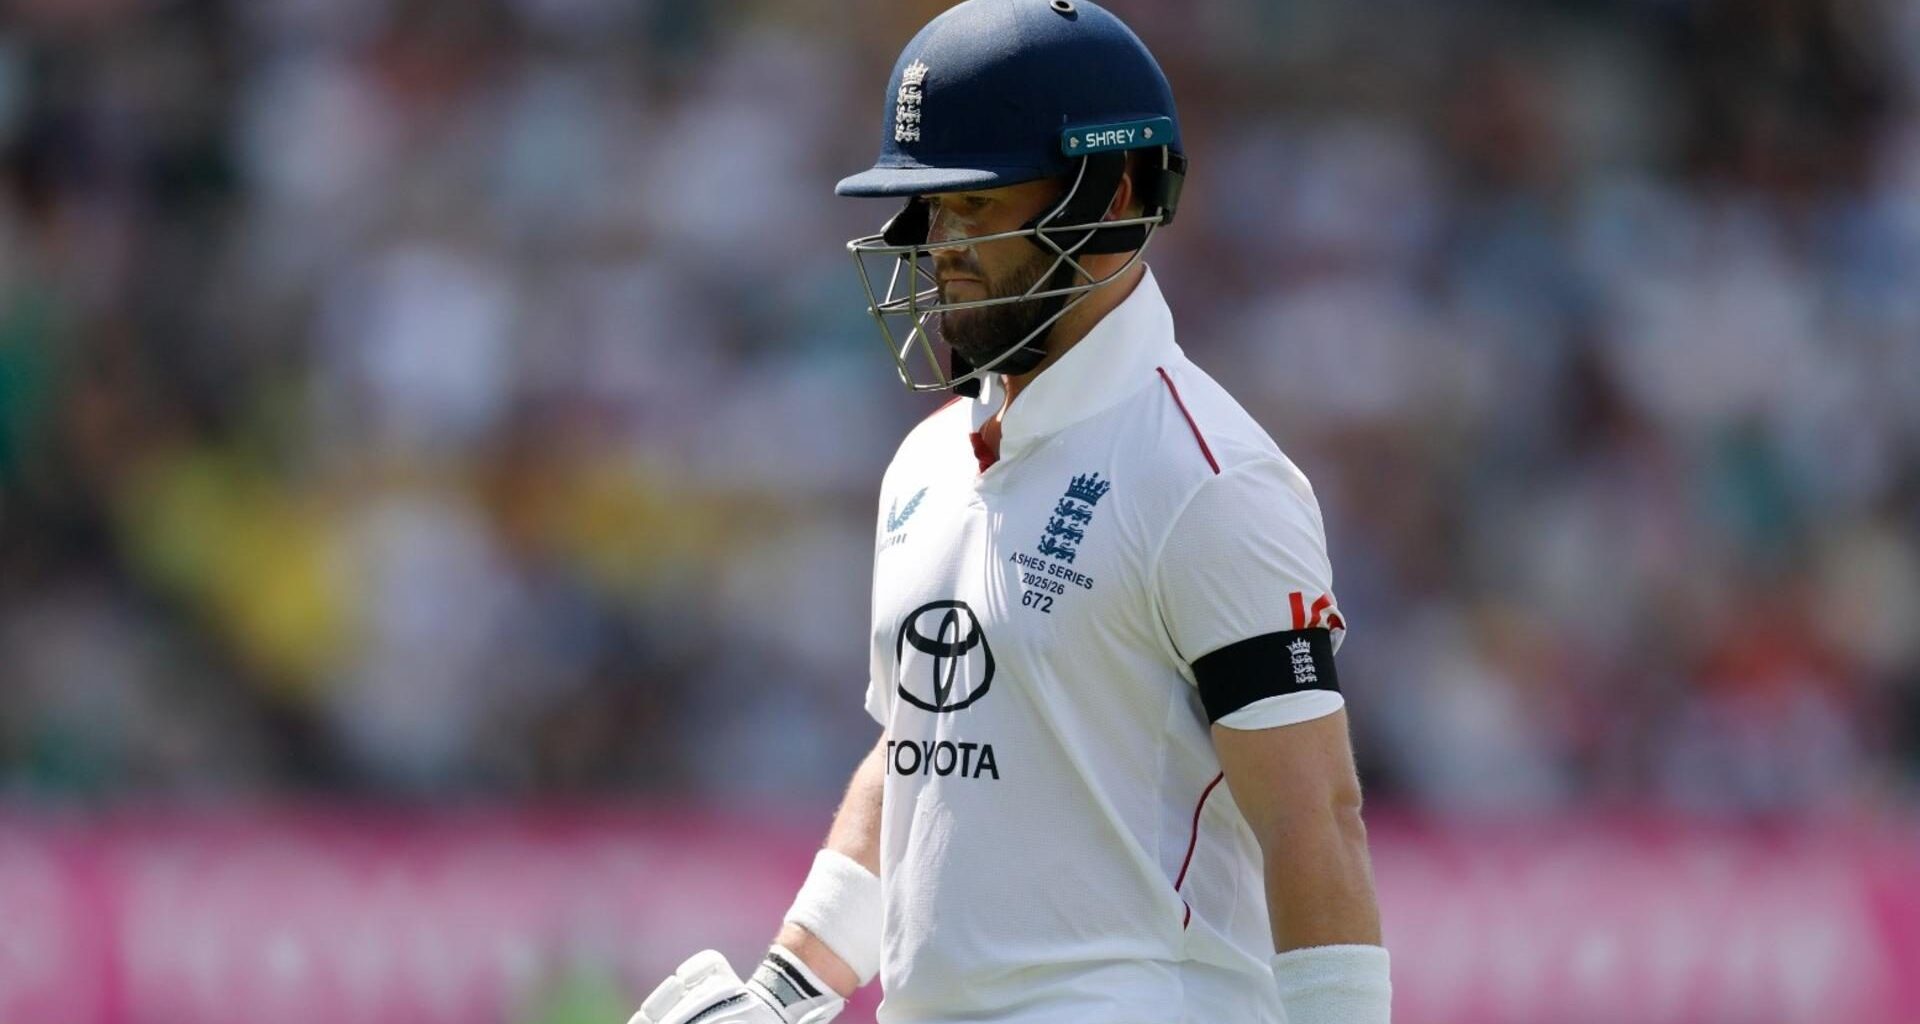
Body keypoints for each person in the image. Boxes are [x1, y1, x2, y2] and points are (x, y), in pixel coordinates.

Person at [628, 1, 1389, 1022]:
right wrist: (786, 988)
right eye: (929, 211)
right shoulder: (930, 460)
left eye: (976, 207)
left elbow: (1315, 820)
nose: (941, 248)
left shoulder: (1208, 478)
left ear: (1110, 194)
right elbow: (925, 741)